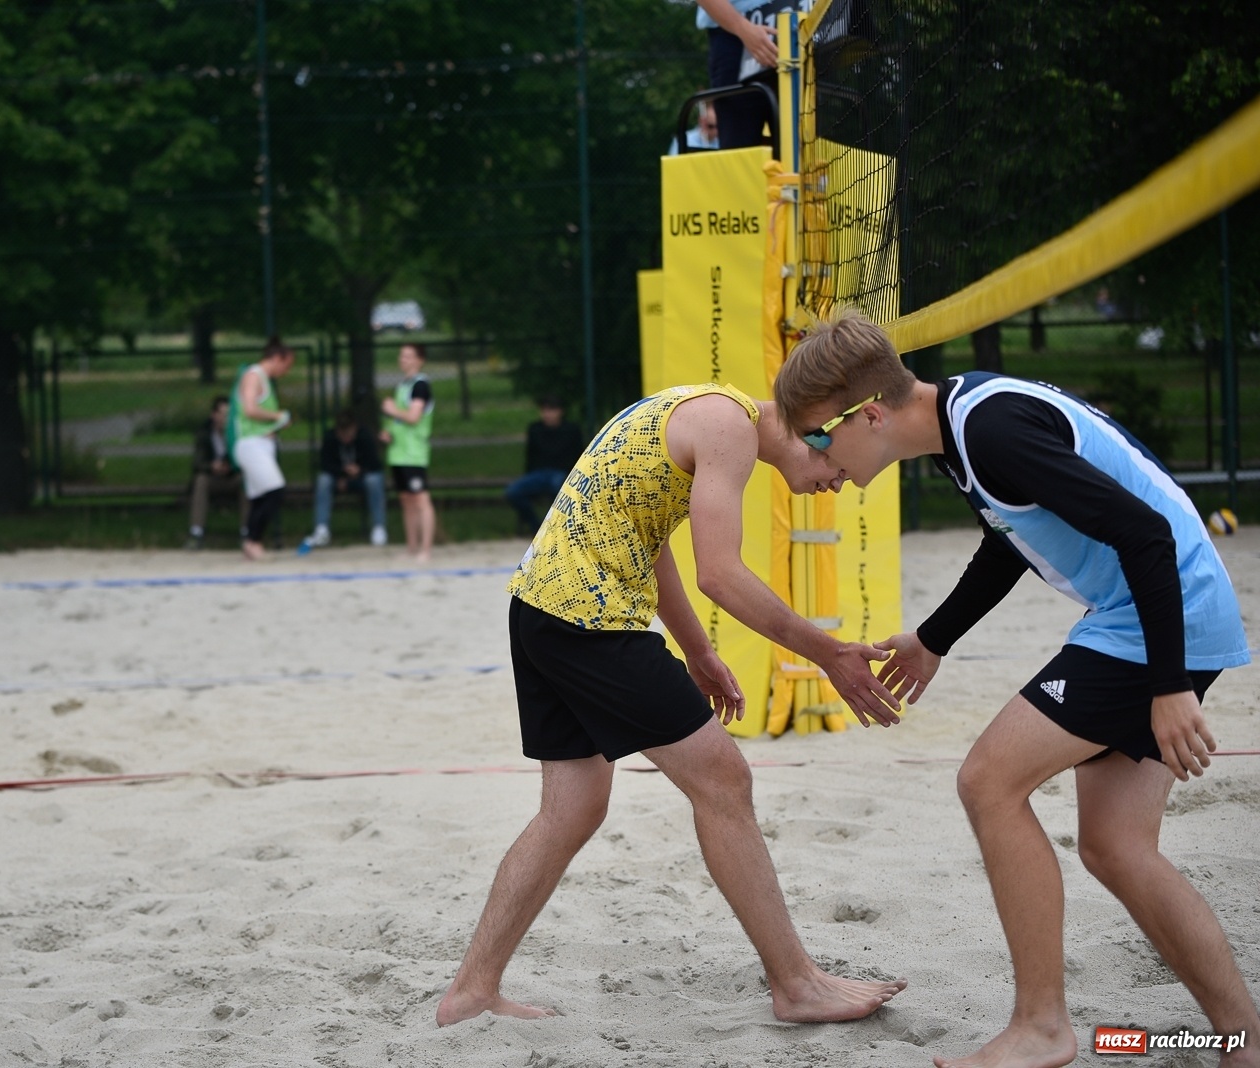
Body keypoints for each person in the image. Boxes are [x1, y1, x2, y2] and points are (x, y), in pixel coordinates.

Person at [773, 308, 1260, 1068]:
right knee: (1117, 847)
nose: (817, 461)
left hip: (1159, 615)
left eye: (816, 437)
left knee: (988, 782)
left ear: (868, 414)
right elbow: (1011, 536)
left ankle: (1041, 1027)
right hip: (1153, 612)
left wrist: (1170, 686)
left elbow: (1146, 534)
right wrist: (934, 640)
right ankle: (1244, 1042)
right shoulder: (965, 426)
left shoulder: (992, 429)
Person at [437, 381, 907, 1028]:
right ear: (814, 426)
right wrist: (827, 652)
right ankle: (797, 983)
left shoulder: (705, 412)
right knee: (724, 779)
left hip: (541, 607)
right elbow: (720, 572)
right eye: (838, 462)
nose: (842, 481)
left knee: (570, 810)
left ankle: (471, 991)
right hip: (588, 619)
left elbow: (647, 537)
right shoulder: (727, 427)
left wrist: (698, 651)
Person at [231, 338, 295, 561]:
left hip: (261, 443)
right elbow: (250, 409)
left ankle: (250, 543)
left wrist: (276, 423)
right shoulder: (253, 376)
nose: (286, 371)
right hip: (251, 443)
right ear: (277, 359)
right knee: (275, 490)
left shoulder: (263, 379)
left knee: (259, 496)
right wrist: (278, 416)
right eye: (286, 365)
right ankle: (254, 540)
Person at [695, 0, 780, 150]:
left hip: (802, 25)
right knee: (740, 151)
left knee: (805, 153)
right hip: (734, 34)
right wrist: (742, 28)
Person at [379, 343, 436, 562]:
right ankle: (412, 546)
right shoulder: (403, 385)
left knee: (421, 499)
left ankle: (426, 549)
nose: (404, 360)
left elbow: (413, 417)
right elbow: (401, 419)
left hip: (414, 453)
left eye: (409, 356)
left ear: (420, 359)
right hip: (398, 452)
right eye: (402, 356)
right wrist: (389, 432)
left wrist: (392, 409)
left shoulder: (421, 386)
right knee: (406, 500)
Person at [303, 409, 388, 549]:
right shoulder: (330, 438)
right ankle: (321, 529)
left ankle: (379, 528)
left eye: (349, 433)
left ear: (355, 428)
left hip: (363, 478)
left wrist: (359, 470)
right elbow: (325, 464)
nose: (346, 438)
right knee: (323, 481)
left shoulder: (365, 436)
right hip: (338, 479)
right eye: (342, 434)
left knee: (374, 480)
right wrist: (341, 474)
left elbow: (375, 464)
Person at [503, 394, 583, 535]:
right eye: (545, 410)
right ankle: (537, 527)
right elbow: (530, 456)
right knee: (513, 491)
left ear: (560, 412)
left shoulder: (571, 430)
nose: (547, 414)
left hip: (561, 474)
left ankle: (555, 527)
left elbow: (577, 456)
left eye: (551, 410)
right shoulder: (535, 429)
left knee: (558, 488)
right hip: (538, 474)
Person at [187, 394, 247, 549]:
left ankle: (246, 532)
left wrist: (231, 466)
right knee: (200, 481)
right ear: (214, 415)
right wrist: (212, 466)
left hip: (233, 477)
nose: (225, 418)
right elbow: (197, 463)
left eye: (229, 415)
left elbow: (245, 458)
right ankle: (196, 532)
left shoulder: (237, 433)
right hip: (212, 478)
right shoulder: (204, 433)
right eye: (222, 414)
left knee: (246, 482)